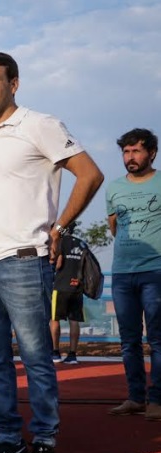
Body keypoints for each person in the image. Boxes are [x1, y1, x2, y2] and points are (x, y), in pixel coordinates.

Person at [0, 52, 103, 453]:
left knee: (36, 358)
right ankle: (9, 442)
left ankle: (44, 444)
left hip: (25, 259)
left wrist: (61, 226)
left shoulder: (40, 124)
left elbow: (90, 174)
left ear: (14, 83)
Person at [106, 128, 161, 421]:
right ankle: (135, 397)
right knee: (129, 341)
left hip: (156, 270)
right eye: (126, 152)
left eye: (137, 151)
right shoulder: (114, 187)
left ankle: (158, 399)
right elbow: (114, 226)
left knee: (157, 339)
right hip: (122, 273)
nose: (130, 157)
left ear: (151, 153)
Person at [49, 222, 85, 365]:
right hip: (77, 287)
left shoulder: (60, 242)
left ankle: (55, 352)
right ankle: (72, 355)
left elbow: (57, 263)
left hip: (61, 286)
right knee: (74, 321)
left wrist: (52, 259)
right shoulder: (82, 244)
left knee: (55, 319)